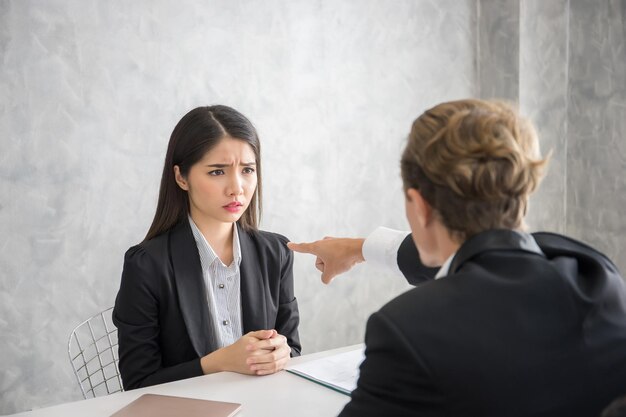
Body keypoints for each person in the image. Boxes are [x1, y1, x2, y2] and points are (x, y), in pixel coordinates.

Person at [289, 99, 626, 416]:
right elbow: (492, 257)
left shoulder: (406, 330)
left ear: (419, 206)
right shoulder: (598, 280)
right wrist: (358, 248)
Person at [113, 105, 300, 390]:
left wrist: (281, 353)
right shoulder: (147, 264)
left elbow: (293, 351)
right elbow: (139, 382)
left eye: (248, 170)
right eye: (217, 172)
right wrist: (219, 362)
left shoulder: (276, 253)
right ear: (181, 177)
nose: (236, 188)